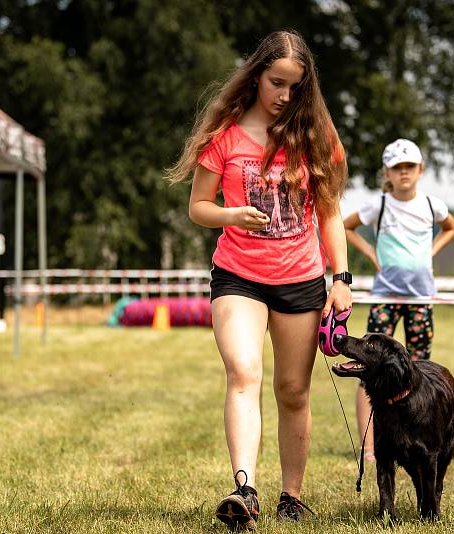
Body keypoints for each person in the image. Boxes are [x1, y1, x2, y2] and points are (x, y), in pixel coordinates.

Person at [166, 30, 352, 530]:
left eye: (295, 87)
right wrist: (233, 216)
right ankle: (244, 489)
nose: (285, 96)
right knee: (243, 371)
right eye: (276, 83)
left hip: (302, 280)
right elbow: (198, 209)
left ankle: (290, 496)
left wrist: (342, 277)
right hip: (238, 276)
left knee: (293, 390)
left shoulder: (317, 138)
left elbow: (331, 215)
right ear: (255, 77)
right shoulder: (224, 137)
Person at [343, 138, 454, 462]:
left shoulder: (433, 206)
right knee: (369, 366)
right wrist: (373, 255)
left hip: (420, 296)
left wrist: (431, 252)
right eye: (397, 167)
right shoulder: (377, 205)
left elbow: (451, 227)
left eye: (409, 166)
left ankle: (415, 432)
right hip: (385, 295)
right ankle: (370, 447)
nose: (403, 172)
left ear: (420, 170)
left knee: (418, 367)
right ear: (387, 172)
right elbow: (346, 226)